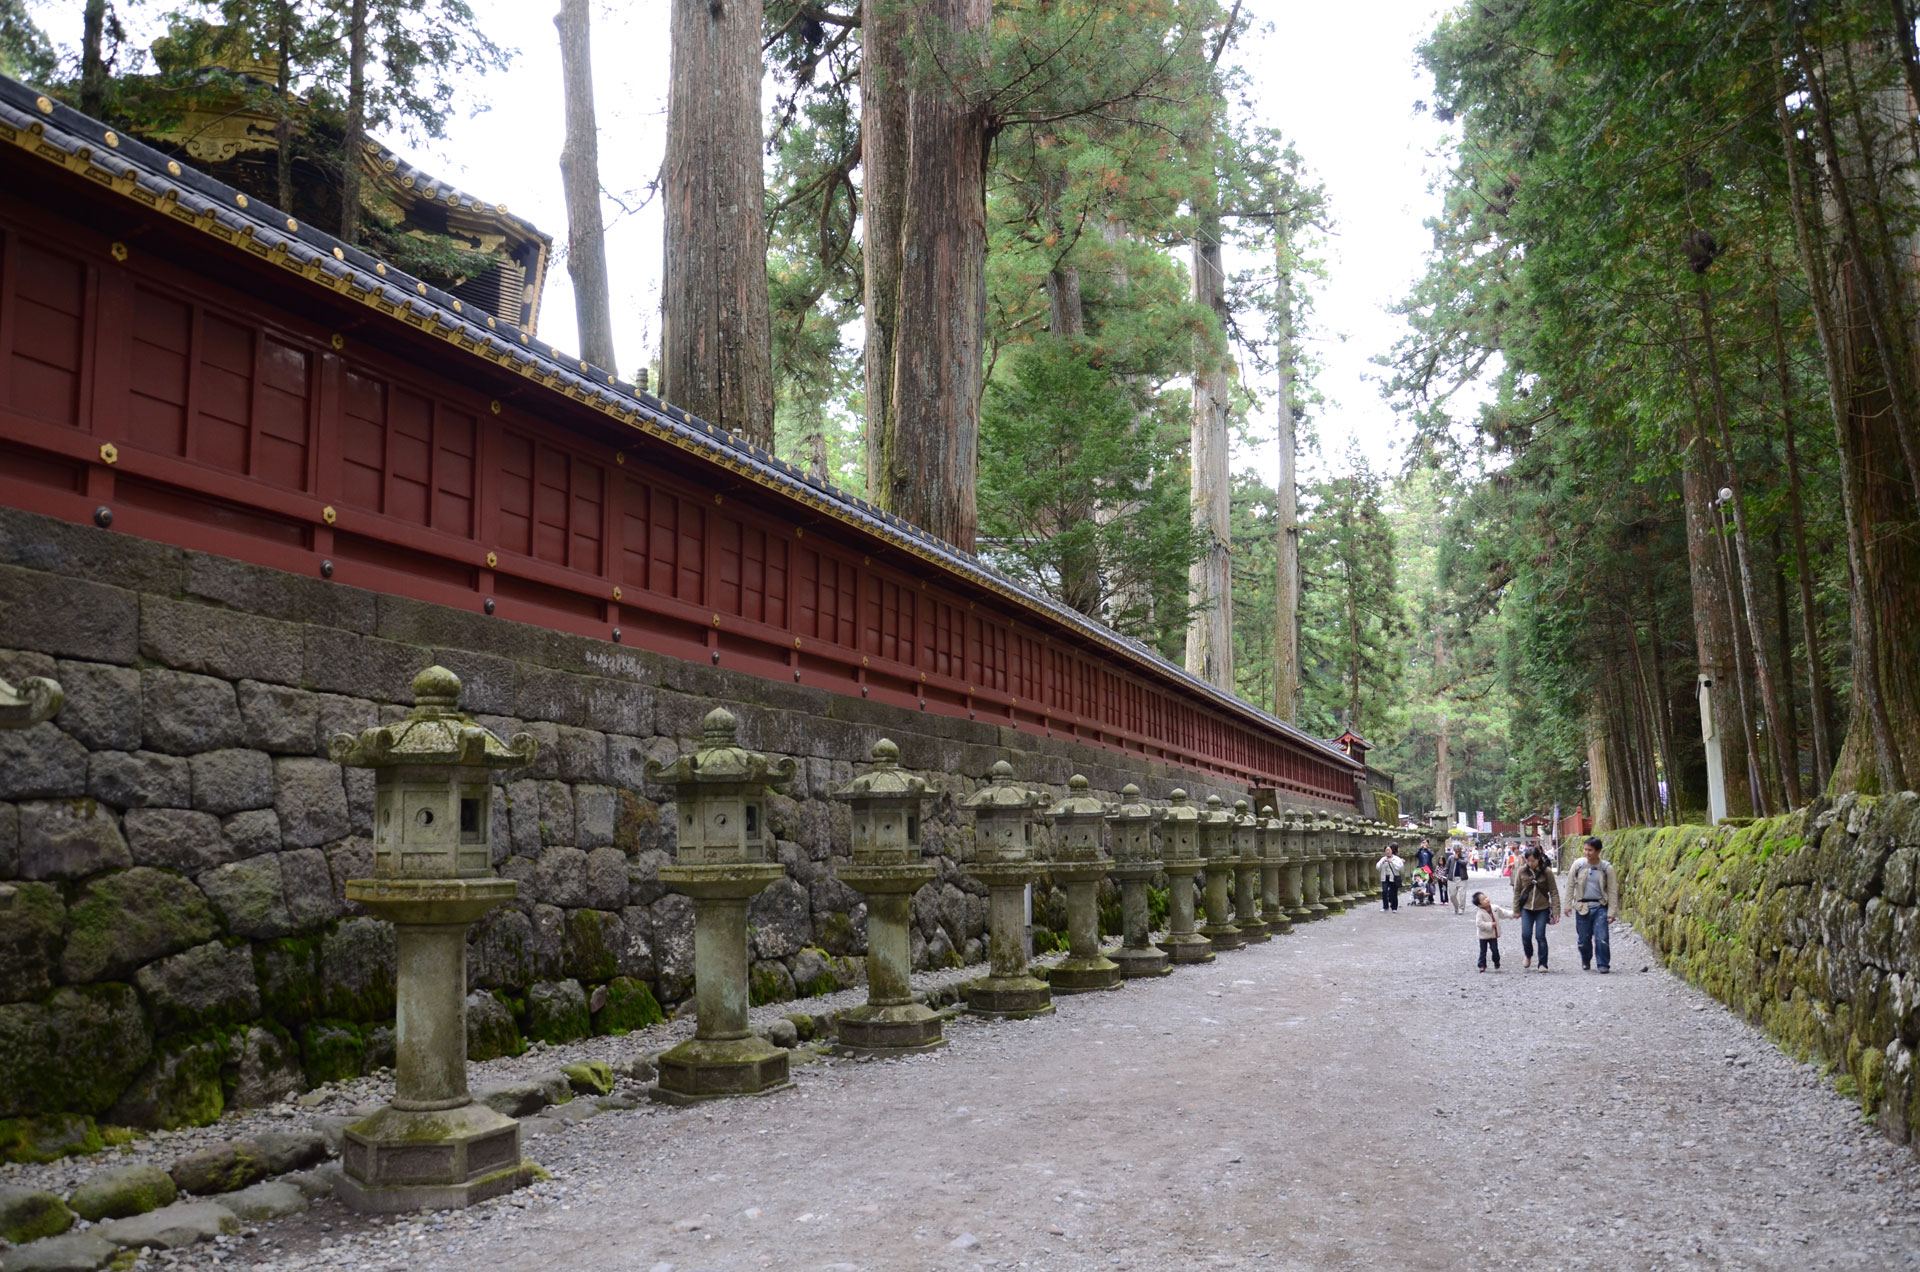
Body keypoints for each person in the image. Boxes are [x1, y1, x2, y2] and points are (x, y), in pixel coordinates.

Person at [1564, 835, 1619, 973]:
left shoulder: (1606, 868)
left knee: (1602, 938)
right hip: (1582, 907)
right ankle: (1586, 958)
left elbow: (1612, 891)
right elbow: (1570, 885)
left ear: (1598, 851)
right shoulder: (1578, 865)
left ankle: (1603, 963)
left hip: (1600, 906)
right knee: (1584, 940)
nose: (1587, 853)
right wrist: (1568, 905)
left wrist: (1611, 912)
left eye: (1590, 850)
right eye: (1585, 849)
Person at [1510, 845, 1561, 972]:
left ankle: (1543, 963)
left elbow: (1554, 892)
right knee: (1526, 935)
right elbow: (1517, 891)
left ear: (1539, 859)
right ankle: (1528, 954)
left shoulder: (1547, 872)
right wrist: (1516, 909)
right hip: (1526, 908)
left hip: (1542, 908)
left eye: (1533, 860)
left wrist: (1556, 911)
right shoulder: (1522, 871)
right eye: (1528, 860)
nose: (1530, 863)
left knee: (1540, 935)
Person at [1471, 890, 1514, 972]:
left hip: (1493, 935)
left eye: (1486, 897)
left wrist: (1513, 914)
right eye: (1483, 899)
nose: (1487, 899)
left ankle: (1496, 961)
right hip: (1483, 936)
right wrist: (1490, 925)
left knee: (1495, 950)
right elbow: (1479, 924)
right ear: (1479, 905)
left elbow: (1504, 913)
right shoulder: (1480, 913)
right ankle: (1482, 965)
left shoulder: (1495, 908)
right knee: (1483, 951)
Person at [1376, 843, 1406, 911]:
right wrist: (1382, 862)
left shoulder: (1396, 859)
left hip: (1393, 877)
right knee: (1384, 891)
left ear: (1392, 851)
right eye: (1386, 850)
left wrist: (1392, 862)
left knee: (1393, 892)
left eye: (1389, 850)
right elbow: (1377, 867)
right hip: (1385, 877)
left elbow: (1400, 867)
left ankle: (1394, 907)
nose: (1388, 852)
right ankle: (1385, 906)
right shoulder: (1383, 858)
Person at [1447, 845, 1470, 914]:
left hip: (1462, 879)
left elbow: (1465, 863)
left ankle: (1461, 908)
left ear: (1460, 850)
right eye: (1456, 851)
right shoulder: (1451, 858)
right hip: (1452, 879)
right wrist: (1444, 876)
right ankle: (1456, 906)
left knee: (1462, 895)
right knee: (1452, 895)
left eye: (1458, 851)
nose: (1457, 852)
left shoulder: (1464, 856)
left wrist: (1458, 859)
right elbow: (1447, 867)